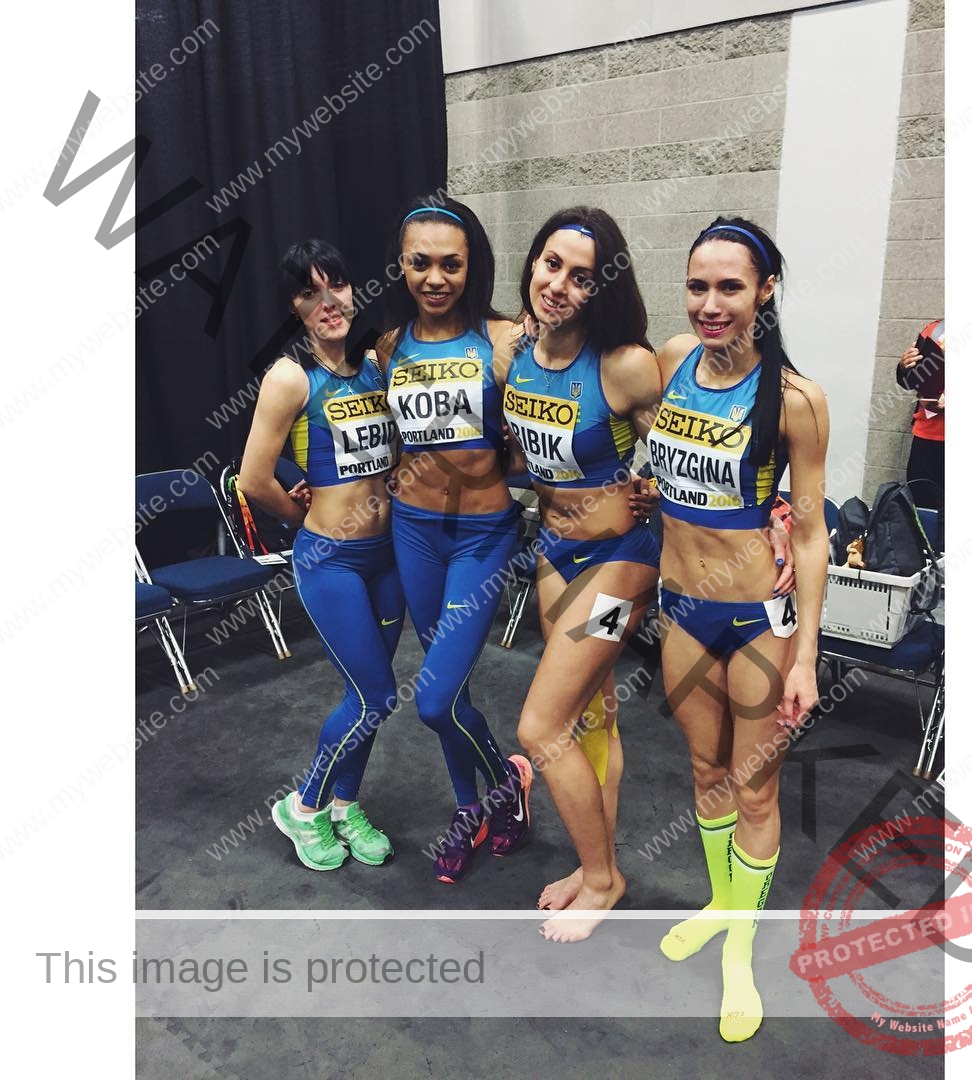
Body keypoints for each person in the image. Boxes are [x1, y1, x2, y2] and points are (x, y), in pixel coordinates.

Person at [649, 217, 829, 1041]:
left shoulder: (795, 400)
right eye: (698, 286)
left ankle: (739, 946)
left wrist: (809, 660)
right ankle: (722, 903)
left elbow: (814, 535)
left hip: (760, 621)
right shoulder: (667, 365)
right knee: (702, 765)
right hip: (681, 610)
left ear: (766, 291)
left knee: (755, 783)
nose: (710, 303)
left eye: (730, 287)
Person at [504, 207, 663, 943]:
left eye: (580, 276)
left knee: (541, 725)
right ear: (532, 264)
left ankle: (603, 879)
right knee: (592, 716)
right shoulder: (516, 351)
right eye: (550, 265)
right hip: (554, 556)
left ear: (603, 288)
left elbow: (692, 446)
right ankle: (591, 863)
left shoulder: (624, 362)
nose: (559, 285)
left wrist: (655, 486)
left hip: (621, 564)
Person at [375, 197, 532, 884]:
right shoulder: (388, 346)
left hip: (482, 535)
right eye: (421, 263)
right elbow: (384, 442)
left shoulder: (504, 339)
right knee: (455, 687)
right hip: (413, 530)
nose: (435, 278)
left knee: (433, 698)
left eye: (451, 264)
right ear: (401, 264)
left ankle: (503, 783)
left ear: (472, 266)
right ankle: (473, 807)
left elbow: (540, 441)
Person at [239, 238, 402, 871]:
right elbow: (253, 478)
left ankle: (344, 804)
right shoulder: (290, 376)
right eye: (310, 292)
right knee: (376, 697)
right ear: (295, 307)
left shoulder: (376, 362)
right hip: (329, 561)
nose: (328, 301)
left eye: (335, 284)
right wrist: (302, 514)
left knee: (368, 694)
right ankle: (304, 806)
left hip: (386, 558)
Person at [896, 318, 945, 510]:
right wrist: (904, 366)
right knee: (921, 509)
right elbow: (908, 382)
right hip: (926, 436)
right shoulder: (936, 329)